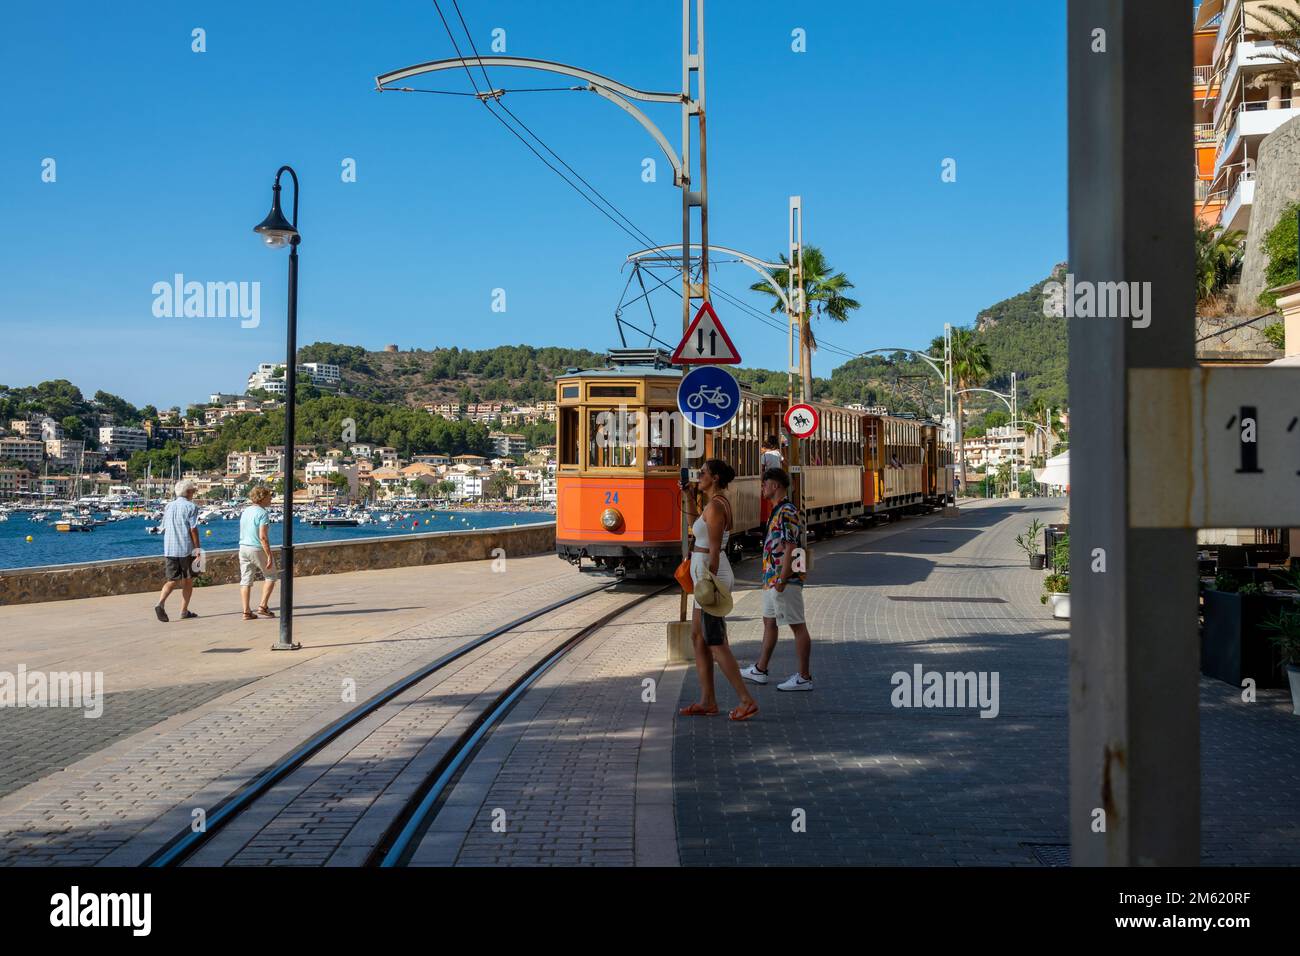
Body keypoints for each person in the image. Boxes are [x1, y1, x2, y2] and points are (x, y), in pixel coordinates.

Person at [678, 458, 759, 722]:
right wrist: (689, 496)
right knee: (698, 637)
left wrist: (709, 583)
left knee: (715, 640)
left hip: (712, 575)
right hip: (705, 574)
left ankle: (746, 700)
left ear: (713, 478)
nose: (697, 476)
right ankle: (708, 700)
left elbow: (713, 552)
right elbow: (696, 529)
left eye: (702, 473)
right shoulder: (714, 503)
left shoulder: (716, 506)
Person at [741, 466, 813, 691]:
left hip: (784, 580)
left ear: (776, 486)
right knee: (769, 622)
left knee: (797, 625)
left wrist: (783, 578)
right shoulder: (777, 510)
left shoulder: (787, 511)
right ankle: (760, 669)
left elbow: (792, 544)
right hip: (772, 579)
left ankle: (804, 677)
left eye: (765, 483)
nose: (762, 487)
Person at [154, 479, 201, 622]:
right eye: (193, 490)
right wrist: (198, 548)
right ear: (188, 492)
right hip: (185, 548)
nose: (194, 493)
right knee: (188, 580)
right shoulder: (191, 507)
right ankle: (184, 610)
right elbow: (193, 528)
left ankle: (160, 603)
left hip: (169, 548)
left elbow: (163, 527)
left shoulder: (169, 506)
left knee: (172, 580)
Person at [239, 485, 280, 620]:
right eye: (269, 496)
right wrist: (269, 554)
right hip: (256, 548)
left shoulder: (246, 511)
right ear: (262, 498)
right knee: (271, 575)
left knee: (245, 580)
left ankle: (246, 611)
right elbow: (262, 536)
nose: (271, 499)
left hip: (243, 548)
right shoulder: (262, 513)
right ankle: (263, 606)